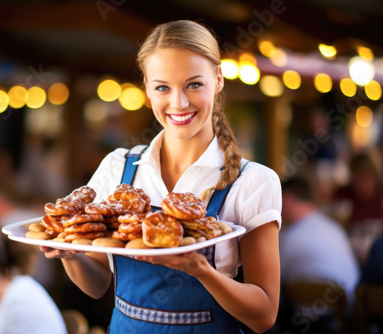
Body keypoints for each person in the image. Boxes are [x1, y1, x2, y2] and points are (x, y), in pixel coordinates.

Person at [42, 20, 282, 333]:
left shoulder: (252, 182)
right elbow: (97, 284)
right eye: (162, 87)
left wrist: (202, 271)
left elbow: (264, 316)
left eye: (194, 84)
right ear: (146, 87)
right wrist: (70, 254)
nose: (178, 103)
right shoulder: (119, 168)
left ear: (218, 79)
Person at [279, 177, 360, 331]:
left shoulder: (288, 237)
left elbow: (274, 284)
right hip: (350, 320)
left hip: (311, 323)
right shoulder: (334, 227)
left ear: (287, 199)